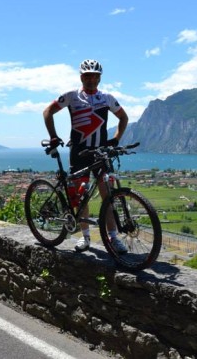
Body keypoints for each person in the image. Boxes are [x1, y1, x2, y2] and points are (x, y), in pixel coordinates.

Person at [43, 59, 129, 253]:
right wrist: (53, 136)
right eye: (88, 76)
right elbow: (48, 112)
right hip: (79, 153)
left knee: (108, 196)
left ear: (100, 78)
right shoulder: (71, 96)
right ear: (81, 77)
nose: (91, 79)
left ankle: (113, 237)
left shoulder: (107, 98)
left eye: (95, 76)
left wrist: (115, 140)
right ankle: (85, 237)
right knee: (80, 197)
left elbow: (123, 118)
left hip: (100, 153)